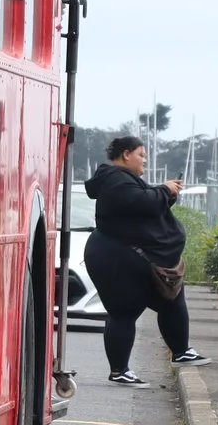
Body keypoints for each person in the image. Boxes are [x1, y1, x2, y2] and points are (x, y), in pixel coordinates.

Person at [83, 134, 209, 387]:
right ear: (126, 154)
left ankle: (180, 351)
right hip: (118, 258)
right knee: (124, 311)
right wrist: (164, 190)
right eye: (141, 155)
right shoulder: (116, 180)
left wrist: (165, 193)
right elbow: (141, 203)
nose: (145, 162)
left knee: (170, 300)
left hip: (121, 254)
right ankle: (121, 369)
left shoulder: (120, 180)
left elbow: (142, 208)